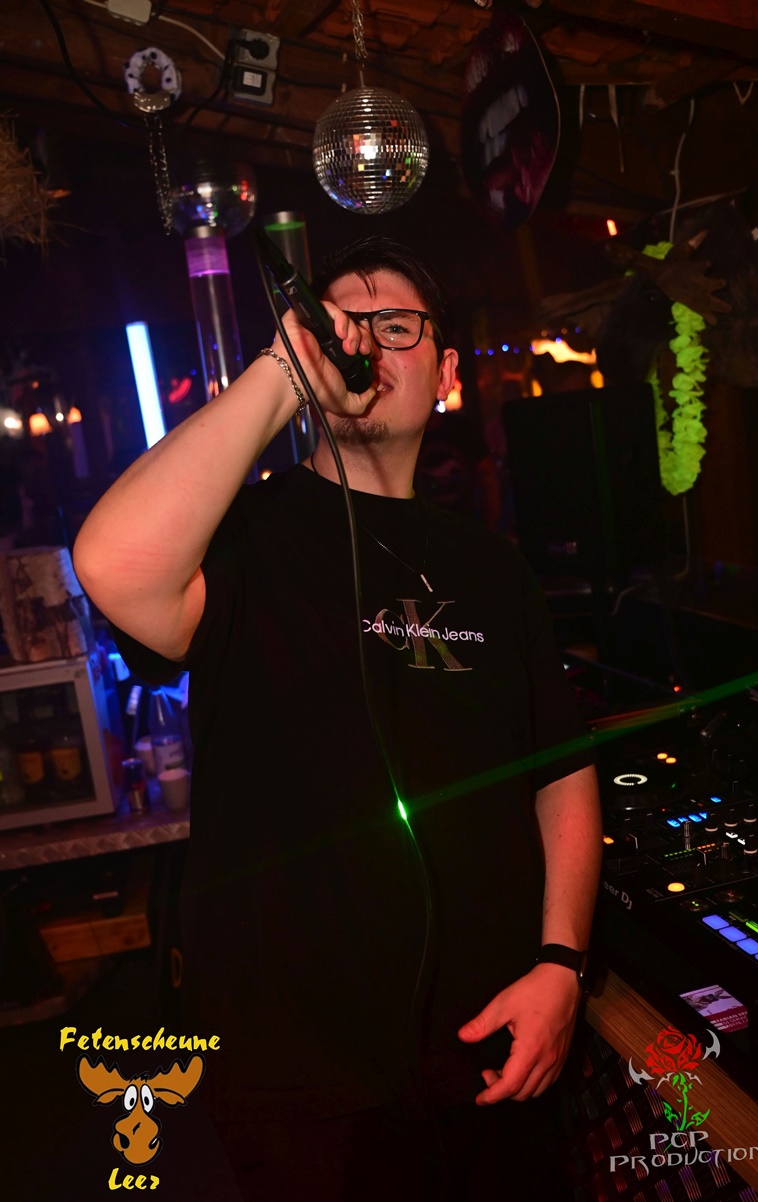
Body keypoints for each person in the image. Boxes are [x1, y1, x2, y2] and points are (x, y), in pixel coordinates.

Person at [73, 237, 602, 1201]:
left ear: (447, 372)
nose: (364, 344)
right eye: (342, 326)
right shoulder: (243, 537)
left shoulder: (493, 567)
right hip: (305, 1076)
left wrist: (561, 962)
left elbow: (561, 773)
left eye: (396, 326)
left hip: (493, 1033)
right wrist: (285, 372)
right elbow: (113, 566)